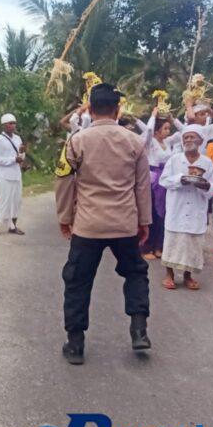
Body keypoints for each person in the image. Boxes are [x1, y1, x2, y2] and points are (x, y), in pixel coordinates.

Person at [55, 83, 152, 365]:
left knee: (77, 281)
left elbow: (64, 181)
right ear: (117, 109)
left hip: (88, 225)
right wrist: (144, 221)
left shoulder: (76, 141)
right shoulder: (135, 142)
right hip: (124, 223)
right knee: (135, 273)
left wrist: (64, 217)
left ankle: (75, 344)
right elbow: (142, 186)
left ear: (90, 108)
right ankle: (139, 329)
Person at [159, 125, 213, 290]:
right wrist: (181, 179)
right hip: (176, 208)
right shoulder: (175, 159)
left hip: (196, 209)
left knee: (192, 244)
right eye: (186, 137)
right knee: (172, 241)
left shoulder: (206, 162)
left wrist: (205, 185)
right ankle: (169, 274)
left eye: (192, 137)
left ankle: (187, 276)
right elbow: (163, 180)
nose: (188, 140)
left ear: (200, 140)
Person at [134, 108, 183, 259]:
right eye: (165, 128)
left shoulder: (167, 142)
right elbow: (148, 130)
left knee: (162, 213)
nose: (168, 131)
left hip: (165, 180)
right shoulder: (150, 142)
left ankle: (158, 246)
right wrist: (153, 116)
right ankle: (146, 247)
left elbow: (184, 132)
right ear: (156, 131)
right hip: (152, 180)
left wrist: (172, 119)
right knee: (152, 213)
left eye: (169, 128)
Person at [0, 113, 26, 235]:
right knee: (1, 201)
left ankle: (13, 227)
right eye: (10, 123)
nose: (13, 125)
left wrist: (22, 156)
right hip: (4, 175)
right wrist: (13, 159)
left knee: (16, 201)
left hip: (16, 174)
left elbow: (21, 154)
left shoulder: (17, 138)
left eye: (14, 123)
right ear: (4, 125)